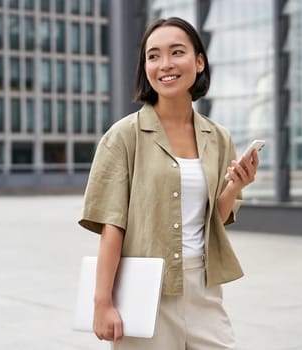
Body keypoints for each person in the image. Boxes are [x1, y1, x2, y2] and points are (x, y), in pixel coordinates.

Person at [78, 17, 260, 350]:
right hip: (147, 292)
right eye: (154, 55)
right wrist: (102, 302)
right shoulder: (123, 137)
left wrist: (233, 188)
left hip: (203, 288)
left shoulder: (219, 138)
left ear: (199, 61)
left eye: (177, 52)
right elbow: (112, 227)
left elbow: (210, 224)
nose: (165, 64)